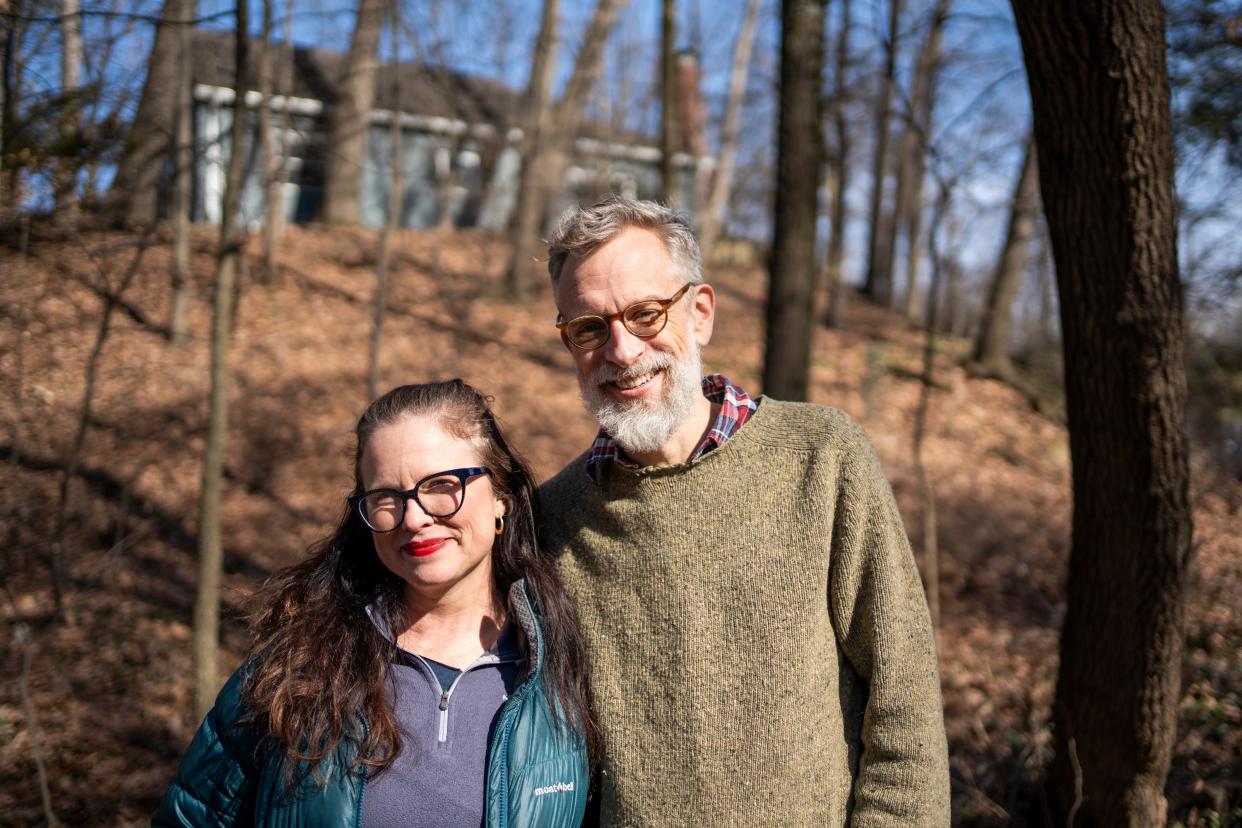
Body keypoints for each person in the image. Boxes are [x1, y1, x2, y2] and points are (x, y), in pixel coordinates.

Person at [538, 196, 950, 826]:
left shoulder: (821, 456)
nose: (621, 351)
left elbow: (905, 702)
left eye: (646, 314)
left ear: (699, 312)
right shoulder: (554, 517)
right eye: (589, 327)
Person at [155, 380, 597, 827]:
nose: (415, 518)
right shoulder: (298, 668)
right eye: (387, 497)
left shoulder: (562, 667)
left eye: (442, 485)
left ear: (501, 495)